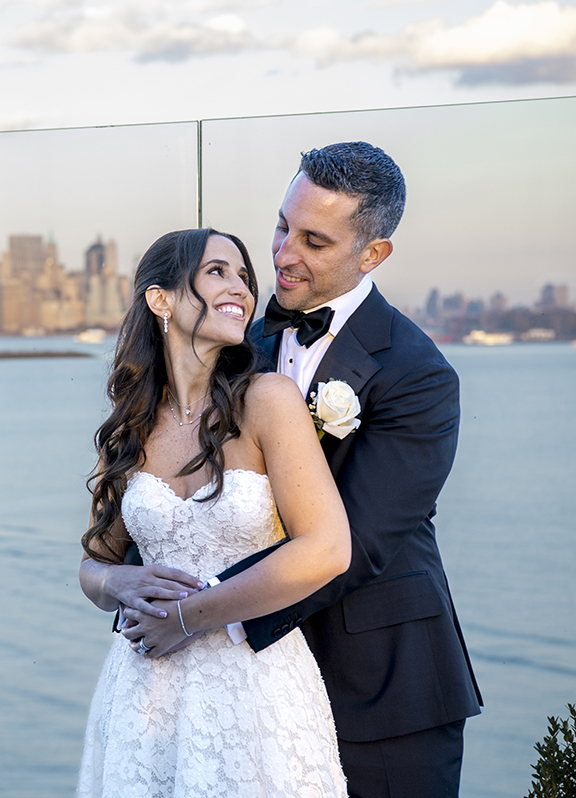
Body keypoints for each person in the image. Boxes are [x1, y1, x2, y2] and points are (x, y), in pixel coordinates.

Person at [104, 142, 483, 798]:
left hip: (380, 689)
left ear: (373, 254)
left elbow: (352, 548)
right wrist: (142, 587)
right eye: (281, 226)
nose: (282, 254)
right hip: (247, 688)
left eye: (313, 240)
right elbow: (176, 488)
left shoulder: (419, 376)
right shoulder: (237, 342)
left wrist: (193, 614)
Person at [77, 227, 351, 797]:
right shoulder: (129, 426)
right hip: (144, 693)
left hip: (255, 689)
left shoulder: (268, 401)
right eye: (217, 272)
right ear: (161, 300)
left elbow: (326, 549)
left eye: (244, 276)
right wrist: (117, 580)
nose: (242, 290)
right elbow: (91, 566)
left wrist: (184, 617)